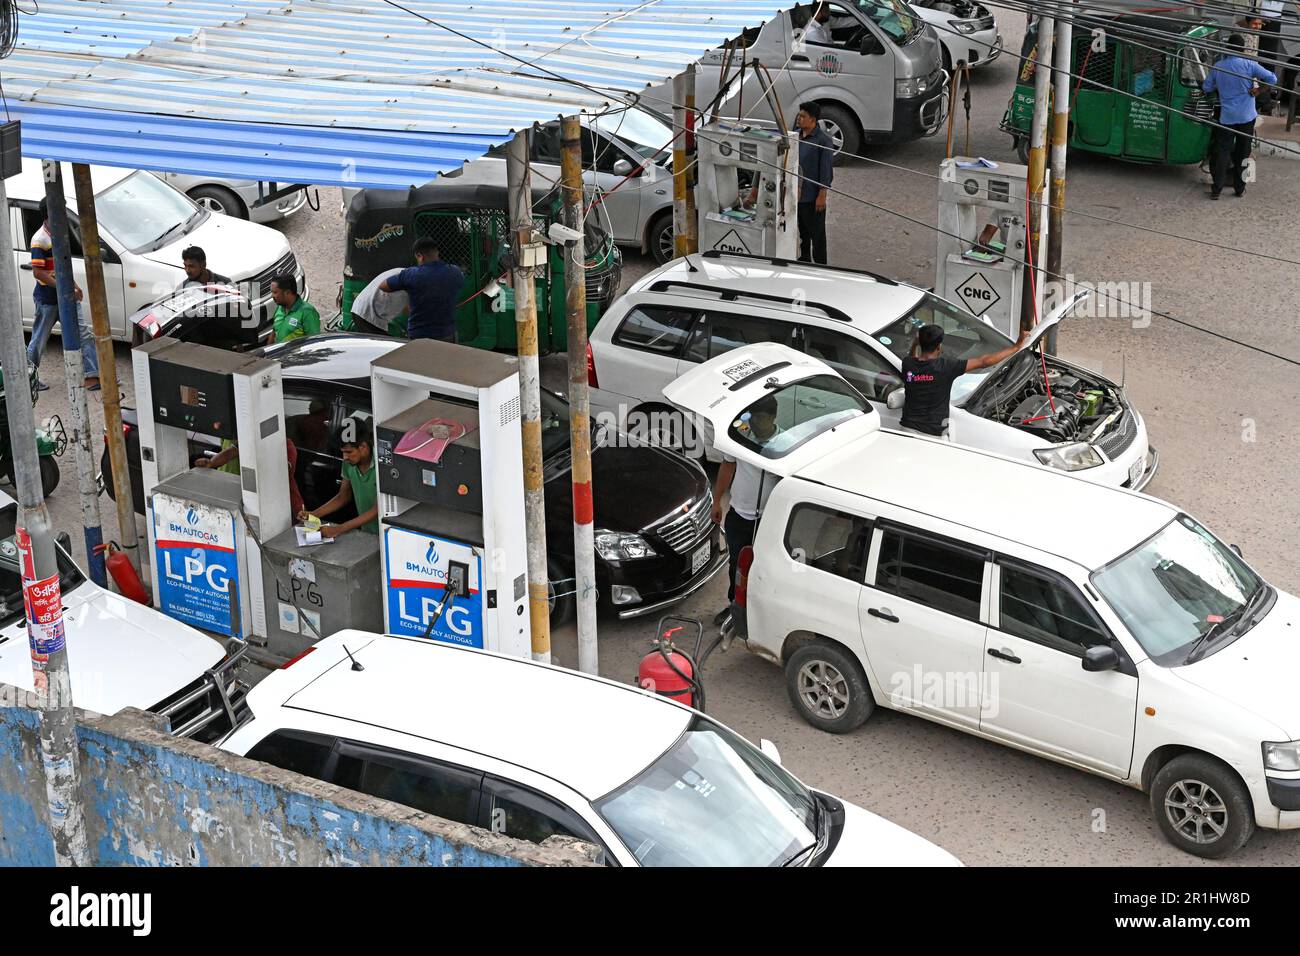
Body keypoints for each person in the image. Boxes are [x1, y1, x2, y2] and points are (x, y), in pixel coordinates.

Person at [710, 395, 780, 624]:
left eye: (760, 418)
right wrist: (717, 500)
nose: (754, 424)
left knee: (762, 569)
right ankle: (734, 607)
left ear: (772, 418)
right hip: (738, 514)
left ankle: (759, 612)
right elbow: (728, 466)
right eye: (752, 418)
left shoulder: (783, 445)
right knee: (735, 565)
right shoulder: (741, 436)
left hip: (766, 522)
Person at [900, 323, 1031, 438]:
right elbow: (984, 362)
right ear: (939, 346)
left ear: (920, 343)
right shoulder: (947, 367)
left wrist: (914, 345)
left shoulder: (908, 364)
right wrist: (1016, 347)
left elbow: (913, 359)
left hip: (906, 430)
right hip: (933, 434)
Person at [28, 198, 100, 392]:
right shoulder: (40, 240)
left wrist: (74, 287)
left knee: (83, 334)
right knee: (39, 341)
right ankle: (29, 379)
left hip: (66, 297)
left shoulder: (60, 233)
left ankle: (92, 376)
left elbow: (63, 265)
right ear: (49, 214)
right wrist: (64, 288)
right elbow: (38, 272)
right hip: (48, 300)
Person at [1203, 34, 1277, 199]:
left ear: (1228, 48)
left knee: (1222, 151)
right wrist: (1258, 91)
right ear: (1243, 49)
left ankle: (1216, 190)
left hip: (1227, 117)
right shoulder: (1250, 65)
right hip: (1246, 116)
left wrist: (1219, 84)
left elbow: (1206, 87)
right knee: (1243, 152)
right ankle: (1239, 189)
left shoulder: (1218, 66)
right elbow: (1272, 78)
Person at [298, 416, 378, 539]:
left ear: (363, 446)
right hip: (367, 532)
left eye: (349, 452)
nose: (345, 457)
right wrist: (313, 514)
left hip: (388, 533)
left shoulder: (380, 466)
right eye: (343, 452)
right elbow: (343, 496)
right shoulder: (349, 463)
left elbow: (377, 510)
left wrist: (338, 529)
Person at [379, 239, 465, 342]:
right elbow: (459, 285)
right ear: (437, 252)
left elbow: (383, 286)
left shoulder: (410, 275)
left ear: (420, 256)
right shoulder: (455, 272)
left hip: (420, 335)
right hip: (447, 334)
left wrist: (408, 290)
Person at [198, 438, 305, 517]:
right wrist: (211, 463)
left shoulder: (286, 446)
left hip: (285, 504)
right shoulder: (251, 439)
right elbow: (230, 452)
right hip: (256, 504)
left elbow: (280, 471)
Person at [794, 101, 833, 264]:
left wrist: (822, 195)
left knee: (817, 236)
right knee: (802, 235)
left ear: (813, 120)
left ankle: (821, 267)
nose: (799, 119)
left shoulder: (823, 141)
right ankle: (804, 262)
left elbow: (826, 170)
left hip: (813, 197)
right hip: (797, 197)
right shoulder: (795, 136)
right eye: (799, 115)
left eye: (803, 116)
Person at [270, 274, 321, 342]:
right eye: (272, 292)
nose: (272, 295)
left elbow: (314, 342)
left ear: (288, 292)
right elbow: (274, 332)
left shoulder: (308, 312)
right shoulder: (280, 307)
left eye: (275, 292)